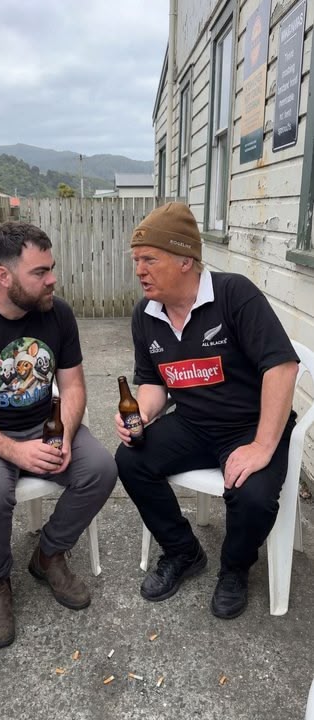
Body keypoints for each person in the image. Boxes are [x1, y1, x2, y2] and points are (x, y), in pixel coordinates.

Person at [0, 221, 117, 648]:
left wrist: (65, 434)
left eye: (52, 268)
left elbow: (73, 387)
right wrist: (16, 451)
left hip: (44, 425)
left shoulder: (58, 314)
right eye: (40, 272)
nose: (53, 279)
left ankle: (49, 554)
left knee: (101, 468)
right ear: (4, 275)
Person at [115, 202, 299, 619]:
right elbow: (154, 381)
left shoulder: (234, 295)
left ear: (185, 260)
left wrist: (262, 446)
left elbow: (282, 367)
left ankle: (235, 569)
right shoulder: (146, 314)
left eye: (149, 259)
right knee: (130, 459)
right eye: (136, 260)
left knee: (252, 497)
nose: (139, 270)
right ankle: (183, 551)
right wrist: (142, 414)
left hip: (252, 423)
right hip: (194, 423)